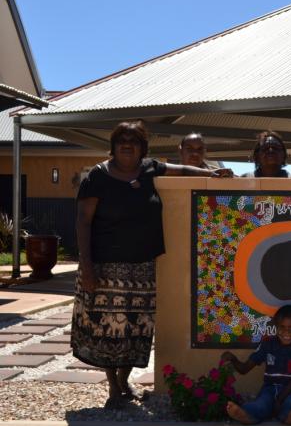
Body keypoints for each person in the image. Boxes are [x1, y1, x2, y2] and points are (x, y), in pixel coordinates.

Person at [71, 120, 232, 410]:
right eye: (122, 140)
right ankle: (113, 388)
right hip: (106, 266)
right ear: (114, 145)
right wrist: (87, 266)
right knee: (108, 329)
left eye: (134, 140)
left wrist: (210, 172)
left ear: (142, 147)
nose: (127, 145)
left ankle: (124, 380)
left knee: (137, 329)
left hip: (142, 267)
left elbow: (181, 170)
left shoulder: (148, 168)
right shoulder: (97, 176)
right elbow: (83, 221)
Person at [221, 305, 291, 425]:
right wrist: (233, 359)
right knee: (261, 403)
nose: (286, 332)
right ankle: (247, 415)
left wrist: (280, 399)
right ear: (276, 327)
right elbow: (244, 369)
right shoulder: (268, 344)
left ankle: (290, 416)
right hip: (270, 388)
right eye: (281, 327)